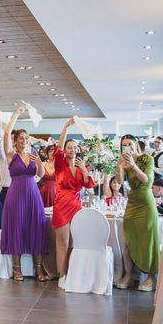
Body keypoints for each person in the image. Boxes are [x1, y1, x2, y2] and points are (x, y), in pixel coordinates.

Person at [0, 105, 50, 282]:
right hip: (16, 194)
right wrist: (16, 114)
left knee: (37, 226)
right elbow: (5, 134)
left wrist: (41, 163)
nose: (24, 140)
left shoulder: (34, 154)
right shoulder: (11, 155)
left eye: (26, 138)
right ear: (15, 140)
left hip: (33, 194)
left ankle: (38, 270)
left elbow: (40, 175)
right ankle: (17, 269)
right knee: (17, 228)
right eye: (21, 138)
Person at [51, 118, 95, 288]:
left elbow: (88, 184)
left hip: (77, 206)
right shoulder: (60, 165)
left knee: (75, 244)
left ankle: (73, 273)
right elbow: (59, 146)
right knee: (62, 243)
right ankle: (62, 275)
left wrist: (84, 170)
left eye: (74, 147)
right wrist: (65, 127)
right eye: (69, 147)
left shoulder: (82, 166)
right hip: (61, 205)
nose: (71, 149)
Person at [114, 134, 159, 291]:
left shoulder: (147, 159)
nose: (128, 147)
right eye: (124, 145)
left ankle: (151, 277)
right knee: (126, 242)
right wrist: (119, 166)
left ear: (136, 145)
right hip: (132, 202)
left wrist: (133, 165)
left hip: (146, 202)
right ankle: (128, 275)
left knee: (148, 241)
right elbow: (119, 182)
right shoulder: (125, 163)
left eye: (130, 144)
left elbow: (146, 180)